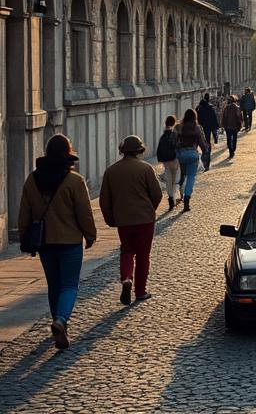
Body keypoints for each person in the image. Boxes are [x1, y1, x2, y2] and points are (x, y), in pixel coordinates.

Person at [16, 136, 97, 350]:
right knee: (69, 285)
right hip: (70, 241)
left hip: (45, 242)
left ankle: (58, 324)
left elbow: (24, 213)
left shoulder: (32, 180)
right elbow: (84, 213)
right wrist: (90, 234)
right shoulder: (75, 181)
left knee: (54, 285)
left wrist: (25, 237)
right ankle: (61, 320)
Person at [100, 136, 163, 305]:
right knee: (143, 255)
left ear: (122, 150)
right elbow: (157, 194)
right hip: (145, 219)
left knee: (127, 251)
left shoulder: (111, 171)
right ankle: (140, 291)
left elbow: (104, 200)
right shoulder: (146, 168)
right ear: (140, 150)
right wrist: (150, 209)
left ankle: (126, 278)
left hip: (123, 220)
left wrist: (110, 219)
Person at [174, 109, 210, 212]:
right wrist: (205, 151)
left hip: (181, 155)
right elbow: (202, 143)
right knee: (191, 178)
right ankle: (187, 200)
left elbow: (173, 141)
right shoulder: (196, 128)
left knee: (182, 175)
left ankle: (180, 194)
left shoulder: (179, 127)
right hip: (193, 154)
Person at [155, 115, 181, 211]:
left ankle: (170, 198)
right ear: (174, 123)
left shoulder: (163, 136)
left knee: (169, 180)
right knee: (174, 180)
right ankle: (174, 198)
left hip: (166, 161)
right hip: (174, 159)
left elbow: (159, 149)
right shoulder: (175, 134)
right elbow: (179, 146)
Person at [196, 95, 218, 171]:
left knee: (201, 147)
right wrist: (215, 136)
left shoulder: (198, 109)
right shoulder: (210, 108)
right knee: (207, 146)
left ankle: (203, 160)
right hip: (208, 130)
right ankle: (206, 164)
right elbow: (214, 121)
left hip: (200, 130)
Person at [220, 95, 243, 159]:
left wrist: (223, 124)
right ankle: (233, 149)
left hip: (228, 126)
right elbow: (239, 117)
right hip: (235, 126)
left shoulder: (226, 108)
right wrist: (240, 124)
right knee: (234, 138)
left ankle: (231, 151)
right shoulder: (236, 107)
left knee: (229, 139)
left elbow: (224, 117)